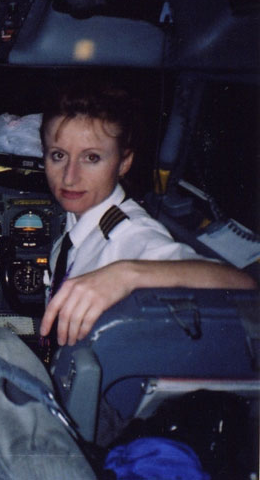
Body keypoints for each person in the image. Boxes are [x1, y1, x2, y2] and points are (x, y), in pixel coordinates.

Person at [37, 81, 256, 347]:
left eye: (91, 158)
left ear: (124, 162)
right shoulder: (77, 222)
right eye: (58, 155)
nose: (70, 178)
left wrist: (127, 274)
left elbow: (244, 285)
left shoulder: (131, 235)